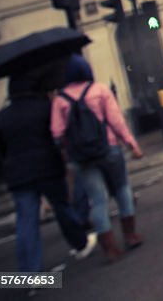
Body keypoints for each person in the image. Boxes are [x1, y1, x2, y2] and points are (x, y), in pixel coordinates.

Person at [0, 64, 97, 272]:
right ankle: (80, 243)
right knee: (63, 209)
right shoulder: (44, 107)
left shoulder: (2, 116)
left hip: (18, 174)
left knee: (26, 222)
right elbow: (56, 135)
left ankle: (30, 273)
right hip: (47, 168)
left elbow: (0, 149)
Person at [51, 55, 143, 263]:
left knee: (97, 199)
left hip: (82, 157)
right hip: (108, 148)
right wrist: (131, 144)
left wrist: (69, 146)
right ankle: (130, 235)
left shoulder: (60, 100)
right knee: (122, 189)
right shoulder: (99, 90)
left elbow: (56, 132)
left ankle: (109, 248)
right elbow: (116, 121)